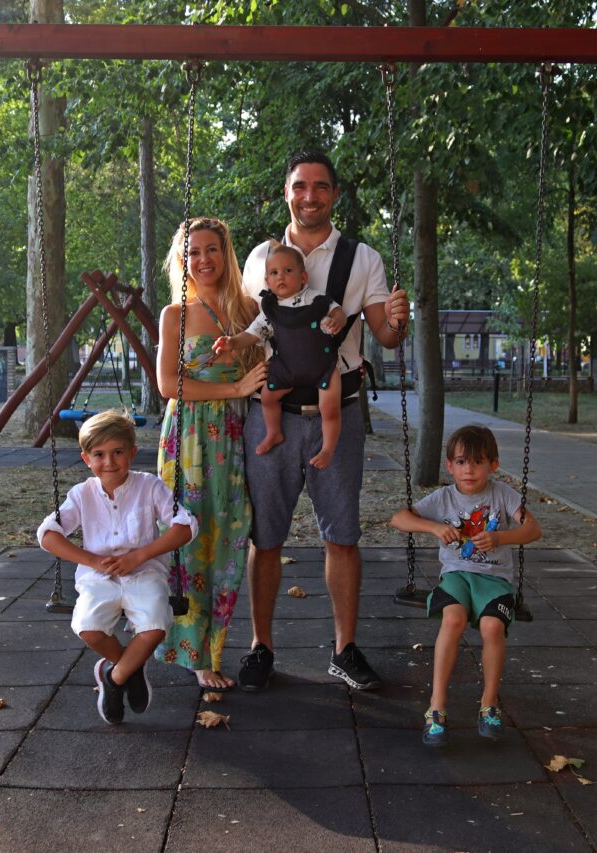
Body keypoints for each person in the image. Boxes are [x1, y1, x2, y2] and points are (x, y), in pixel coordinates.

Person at [237, 150, 410, 692]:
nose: (309, 196)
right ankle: (261, 646)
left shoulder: (362, 259)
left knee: (342, 535)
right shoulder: (261, 257)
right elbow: (247, 324)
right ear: (286, 193)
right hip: (273, 412)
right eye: (299, 186)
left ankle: (344, 649)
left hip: (339, 410)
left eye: (320, 186)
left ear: (334, 194)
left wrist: (400, 322)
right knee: (266, 536)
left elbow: (385, 337)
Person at [155, 216, 268, 690]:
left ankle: (213, 647)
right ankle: (192, 652)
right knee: (189, 536)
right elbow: (168, 385)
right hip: (189, 439)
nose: (203, 260)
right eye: (193, 252)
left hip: (234, 435)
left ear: (226, 254)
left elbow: (272, 360)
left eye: (212, 249)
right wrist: (234, 388)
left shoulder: (249, 310)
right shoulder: (175, 314)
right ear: (181, 261)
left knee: (229, 538)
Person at [37, 410, 198, 725]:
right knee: (88, 628)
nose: (109, 462)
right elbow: (47, 535)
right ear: (86, 459)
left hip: (144, 572)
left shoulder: (149, 486)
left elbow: (185, 526)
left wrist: (139, 556)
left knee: (155, 626)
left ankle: (115, 678)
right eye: (99, 454)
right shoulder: (82, 494)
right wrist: (93, 560)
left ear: (132, 453)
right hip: (98, 576)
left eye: (118, 452)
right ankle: (130, 668)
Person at [389, 425, 542, 746]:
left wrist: (500, 537)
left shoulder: (503, 495)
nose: (468, 470)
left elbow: (533, 529)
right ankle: (436, 706)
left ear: (493, 465)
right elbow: (399, 519)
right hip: (456, 576)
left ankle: (489, 703)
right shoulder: (443, 497)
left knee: (492, 627)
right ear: (449, 466)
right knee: (453, 620)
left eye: (477, 462)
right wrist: (433, 528)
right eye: (461, 462)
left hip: (495, 579)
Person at [213, 242, 349, 468]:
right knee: (267, 398)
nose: (281, 277)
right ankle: (274, 432)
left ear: (303, 277)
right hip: (286, 368)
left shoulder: (316, 299)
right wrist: (233, 342)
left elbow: (339, 313)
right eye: (274, 273)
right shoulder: (270, 310)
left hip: (322, 366)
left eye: (288, 270)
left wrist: (337, 321)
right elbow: (252, 334)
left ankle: (328, 448)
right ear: (267, 281)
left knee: (330, 409)